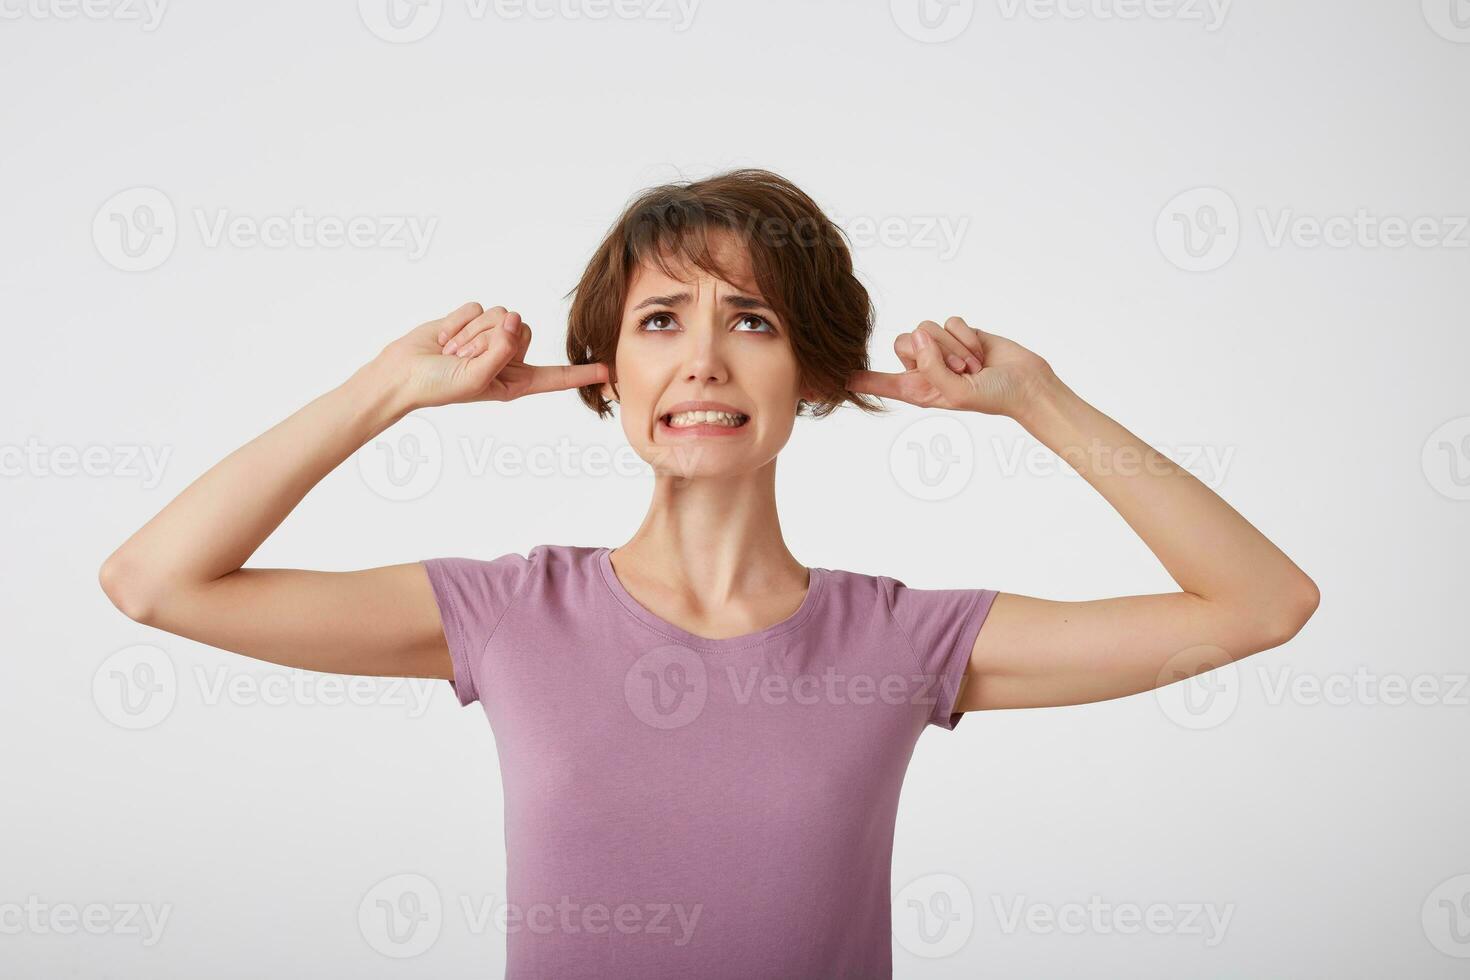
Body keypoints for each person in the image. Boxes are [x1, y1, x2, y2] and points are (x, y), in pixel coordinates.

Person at [98, 169, 1319, 978]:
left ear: (819, 373)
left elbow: (1261, 605)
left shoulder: (902, 643)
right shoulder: (510, 613)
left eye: (752, 321)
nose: (703, 363)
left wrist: (1039, 399)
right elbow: (155, 580)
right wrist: (388, 388)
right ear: (606, 373)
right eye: (660, 320)